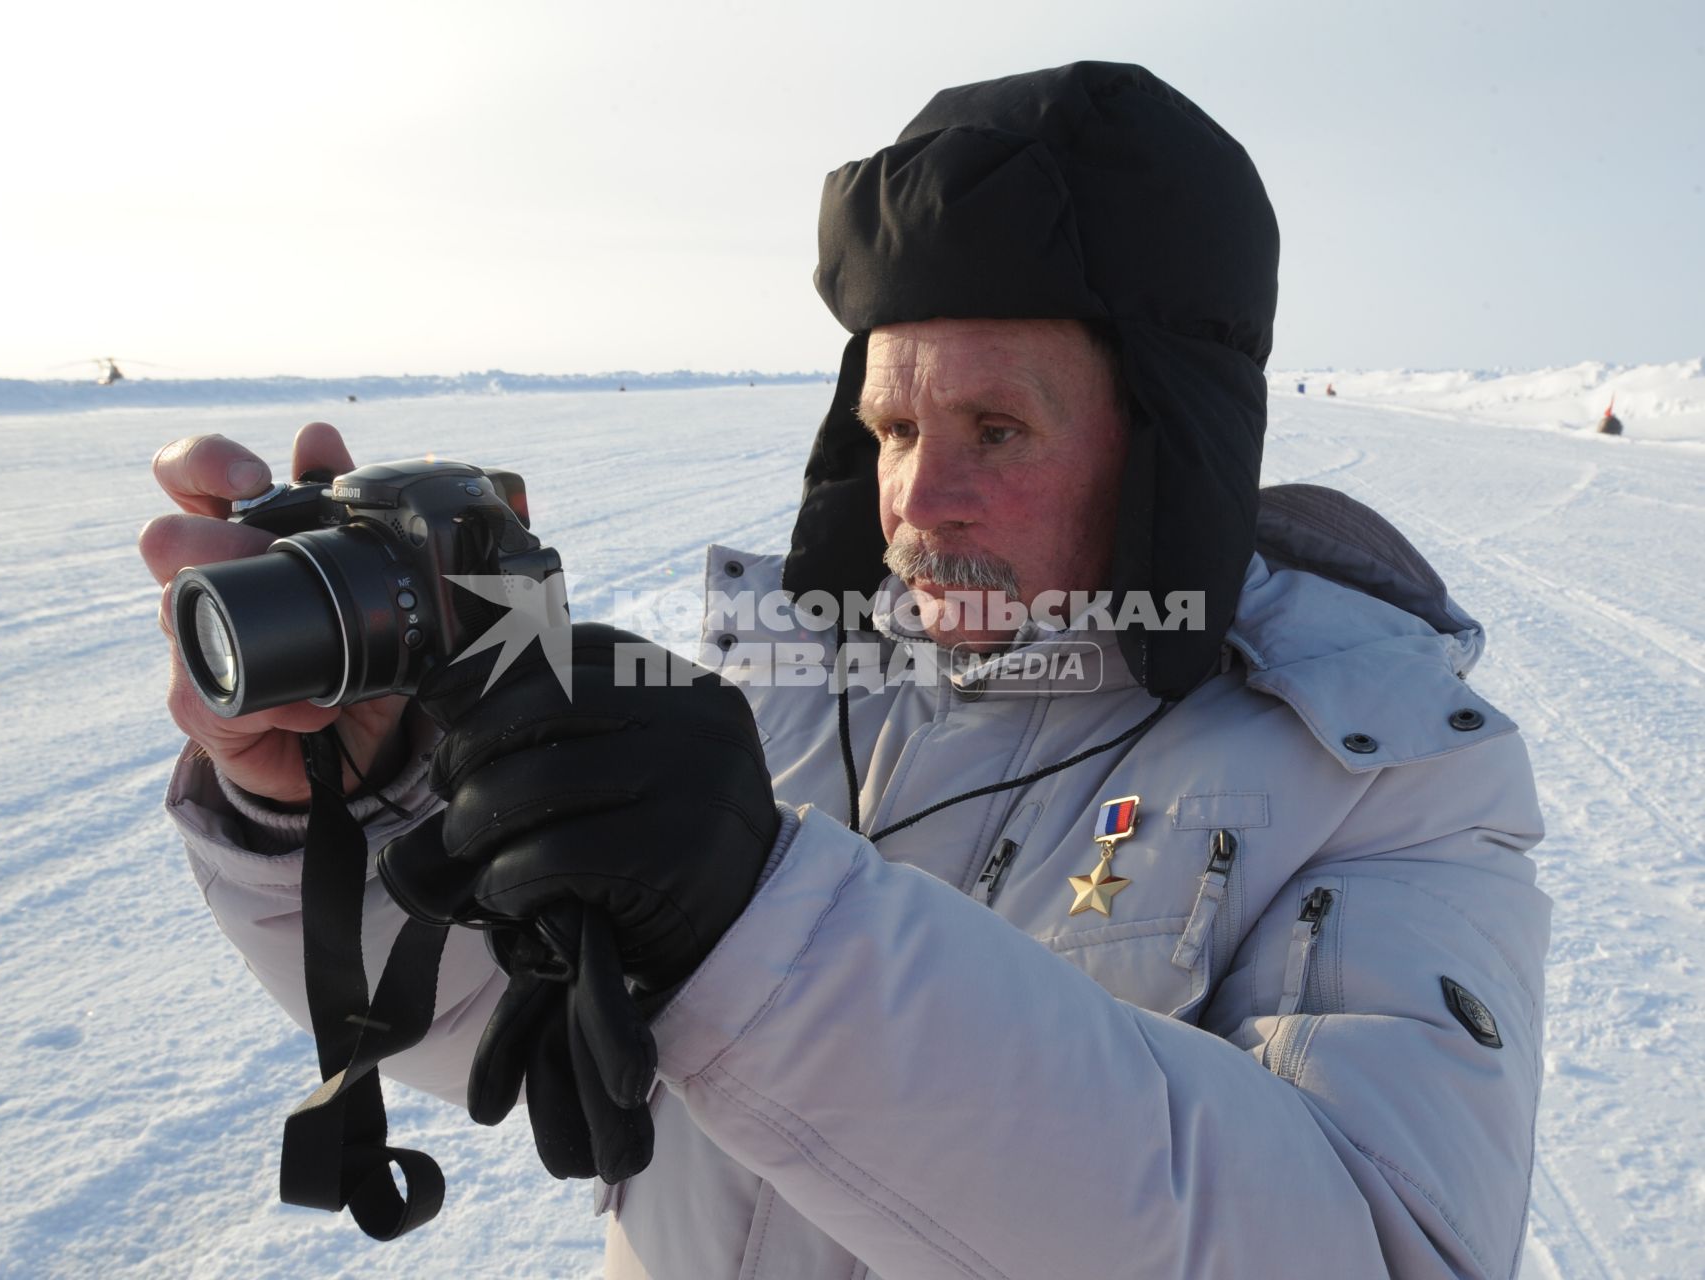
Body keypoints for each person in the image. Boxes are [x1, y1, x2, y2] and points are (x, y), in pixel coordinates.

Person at [142, 63, 1548, 1278]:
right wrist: (354, 795)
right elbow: (495, 1022)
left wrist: (761, 936)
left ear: (1169, 447)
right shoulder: (785, 682)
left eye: (996, 428)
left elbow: (1366, 1246)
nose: (918, 502)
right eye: (890, 428)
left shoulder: (1386, 772)